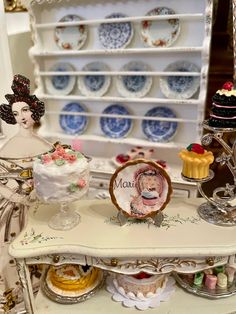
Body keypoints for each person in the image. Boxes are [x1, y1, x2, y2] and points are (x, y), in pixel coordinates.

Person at [0, 74, 53, 306]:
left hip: (41, 208)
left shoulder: (47, 146)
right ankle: (20, 299)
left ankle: (44, 295)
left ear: (34, 111)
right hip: (14, 213)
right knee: (13, 252)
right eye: (15, 113)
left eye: (24, 111)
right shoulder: (8, 147)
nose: (21, 117)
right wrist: (21, 196)